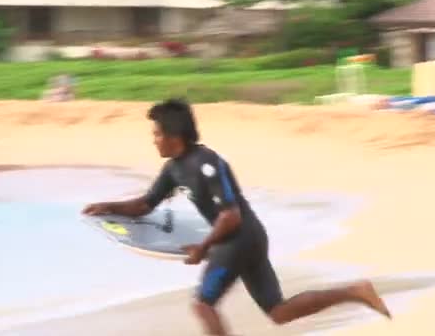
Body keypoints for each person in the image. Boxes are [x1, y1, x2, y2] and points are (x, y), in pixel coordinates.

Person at [82, 98, 391, 335]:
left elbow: (231, 216)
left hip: (238, 238)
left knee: (203, 305)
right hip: (245, 238)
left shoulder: (207, 163)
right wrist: (107, 206)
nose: (154, 139)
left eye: (157, 133)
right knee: (279, 312)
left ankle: (355, 291)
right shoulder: (174, 168)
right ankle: (355, 291)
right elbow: (146, 204)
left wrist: (203, 248)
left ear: (174, 135)